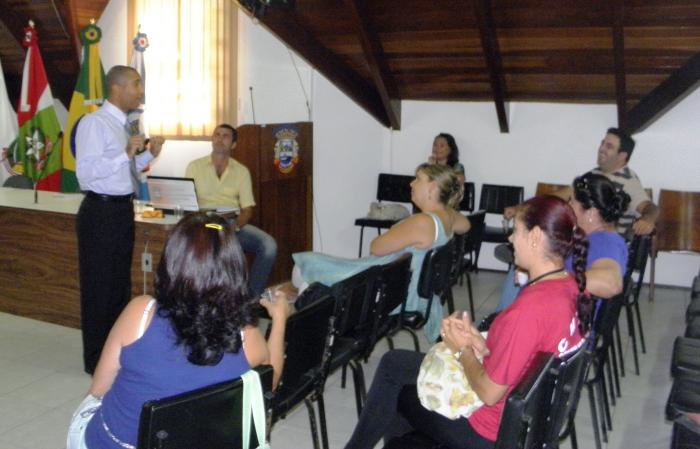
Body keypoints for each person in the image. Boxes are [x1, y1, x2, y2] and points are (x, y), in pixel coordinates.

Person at [345, 196, 588, 449]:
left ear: (536, 236)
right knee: (395, 363)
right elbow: (525, 354)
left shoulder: (530, 309)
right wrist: (477, 342)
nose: (511, 239)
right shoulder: (570, 286)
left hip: (487, 431)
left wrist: (462, 351)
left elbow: (489, 393)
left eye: (516, 230)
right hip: (529, 421)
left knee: (399, 389)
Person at [77, 213, 288, 449]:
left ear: (171, 262)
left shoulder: (140, 312)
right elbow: (270, 382)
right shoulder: (247, 336)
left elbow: (98, 389)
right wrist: (279, 319)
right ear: (234, 269)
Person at [293, 163, 471, 342]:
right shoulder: (447, 217)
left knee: (304, 268)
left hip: (395, 294)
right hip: (416, 293)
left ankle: (299, 316)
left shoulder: (423, 222)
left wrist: (398, 228)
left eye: (418, 179)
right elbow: (466, 225)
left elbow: (376, 247)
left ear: (432, 188)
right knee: (310, 270)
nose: (411, 184)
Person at [76, 65, 165, 375]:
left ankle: (116, 354)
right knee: (99, 286)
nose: (140, 91)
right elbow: (86, 174)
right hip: (99, 212)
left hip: (121, 210)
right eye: (136, 84)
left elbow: (124, 171)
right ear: (117, 88)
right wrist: (125, 153)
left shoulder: (124, 127)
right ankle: (96, 360)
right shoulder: (93, 124)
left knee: (117, 285)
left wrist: (148, 155)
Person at [495, 172, 630, 311]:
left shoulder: (606, 242)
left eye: (572, 202)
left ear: (590, 213)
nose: (568, 206)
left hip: (555, 322)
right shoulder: (592, 236)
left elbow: (611, 283)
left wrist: (545, 276)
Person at [186, 124, 277, 297]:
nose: (220, 139)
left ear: (233, 144)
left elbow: (247, 209)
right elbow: (187, 204)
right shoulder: (194, 167)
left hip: (230, 224)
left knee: (269, 245)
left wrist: (234, 227)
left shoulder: (241, 171)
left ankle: (250, 299)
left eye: (225, 136)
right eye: (217, 135)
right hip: (204, 223)